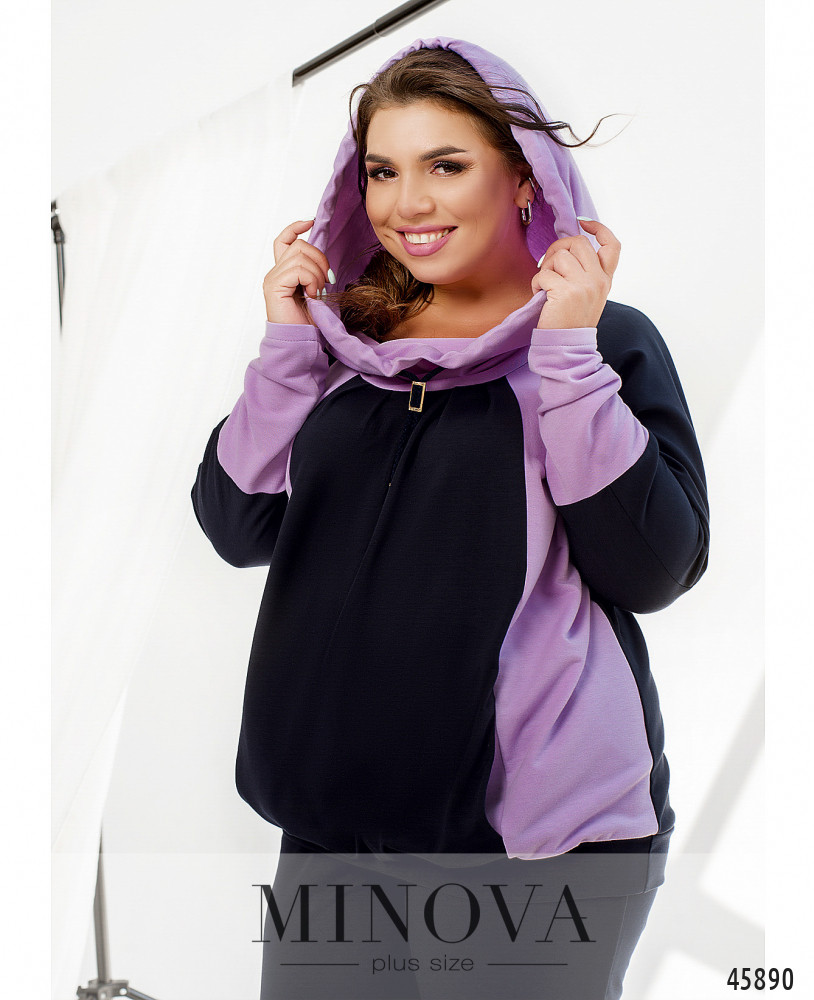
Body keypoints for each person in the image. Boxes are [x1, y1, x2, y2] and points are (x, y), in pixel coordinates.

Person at [191, 36, 709, 1000]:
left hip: (540, 845)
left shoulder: (602, 342)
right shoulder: (344, 342)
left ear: (523, 177)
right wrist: (287, 349)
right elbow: (237, 524)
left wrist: (568, 358)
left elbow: (652, 568)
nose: (407, 204)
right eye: (382, 171)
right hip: (339, 830)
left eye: (445, 165)